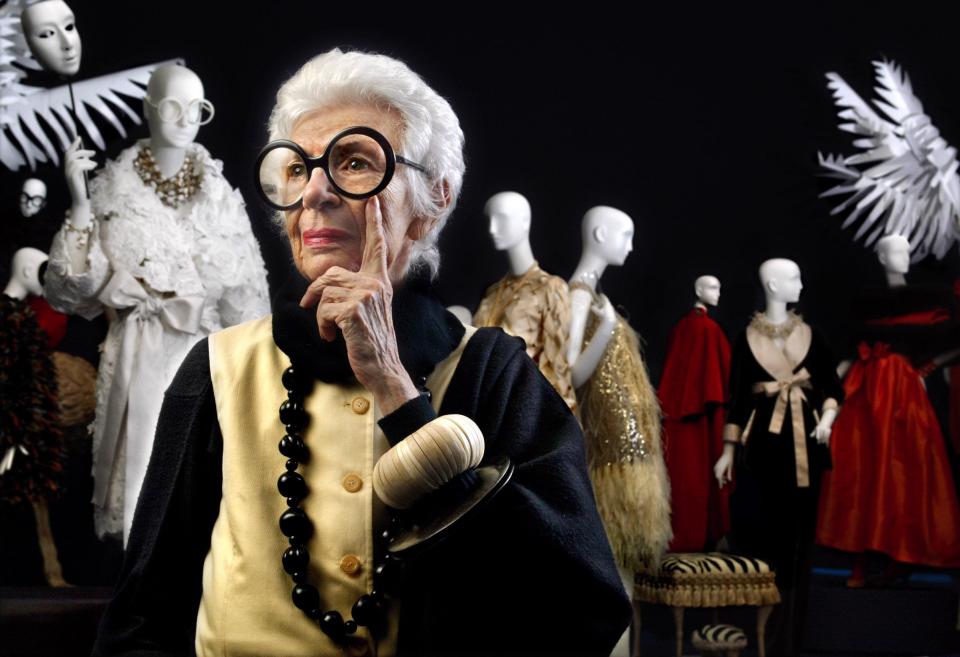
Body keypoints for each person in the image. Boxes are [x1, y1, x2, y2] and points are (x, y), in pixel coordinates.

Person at [92, 49, 630, 657]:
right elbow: (139, 621)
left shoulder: (495, 374)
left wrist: (399, 395)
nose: (314, 193)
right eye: (297, 169)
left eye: (352, 162)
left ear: (433, 201)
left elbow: (580, 616)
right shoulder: (216, 369)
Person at [43, 64, 270, 542]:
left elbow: (248, 300)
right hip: (137, 350)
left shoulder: (219, 196)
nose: (186, 119)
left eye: (198, 109)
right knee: (141, 479)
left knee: (202, 483)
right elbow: (70, 290)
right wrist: (80, 204)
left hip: (206, 355)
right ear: (147, 109)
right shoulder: (113, 188)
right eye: (172, 106)